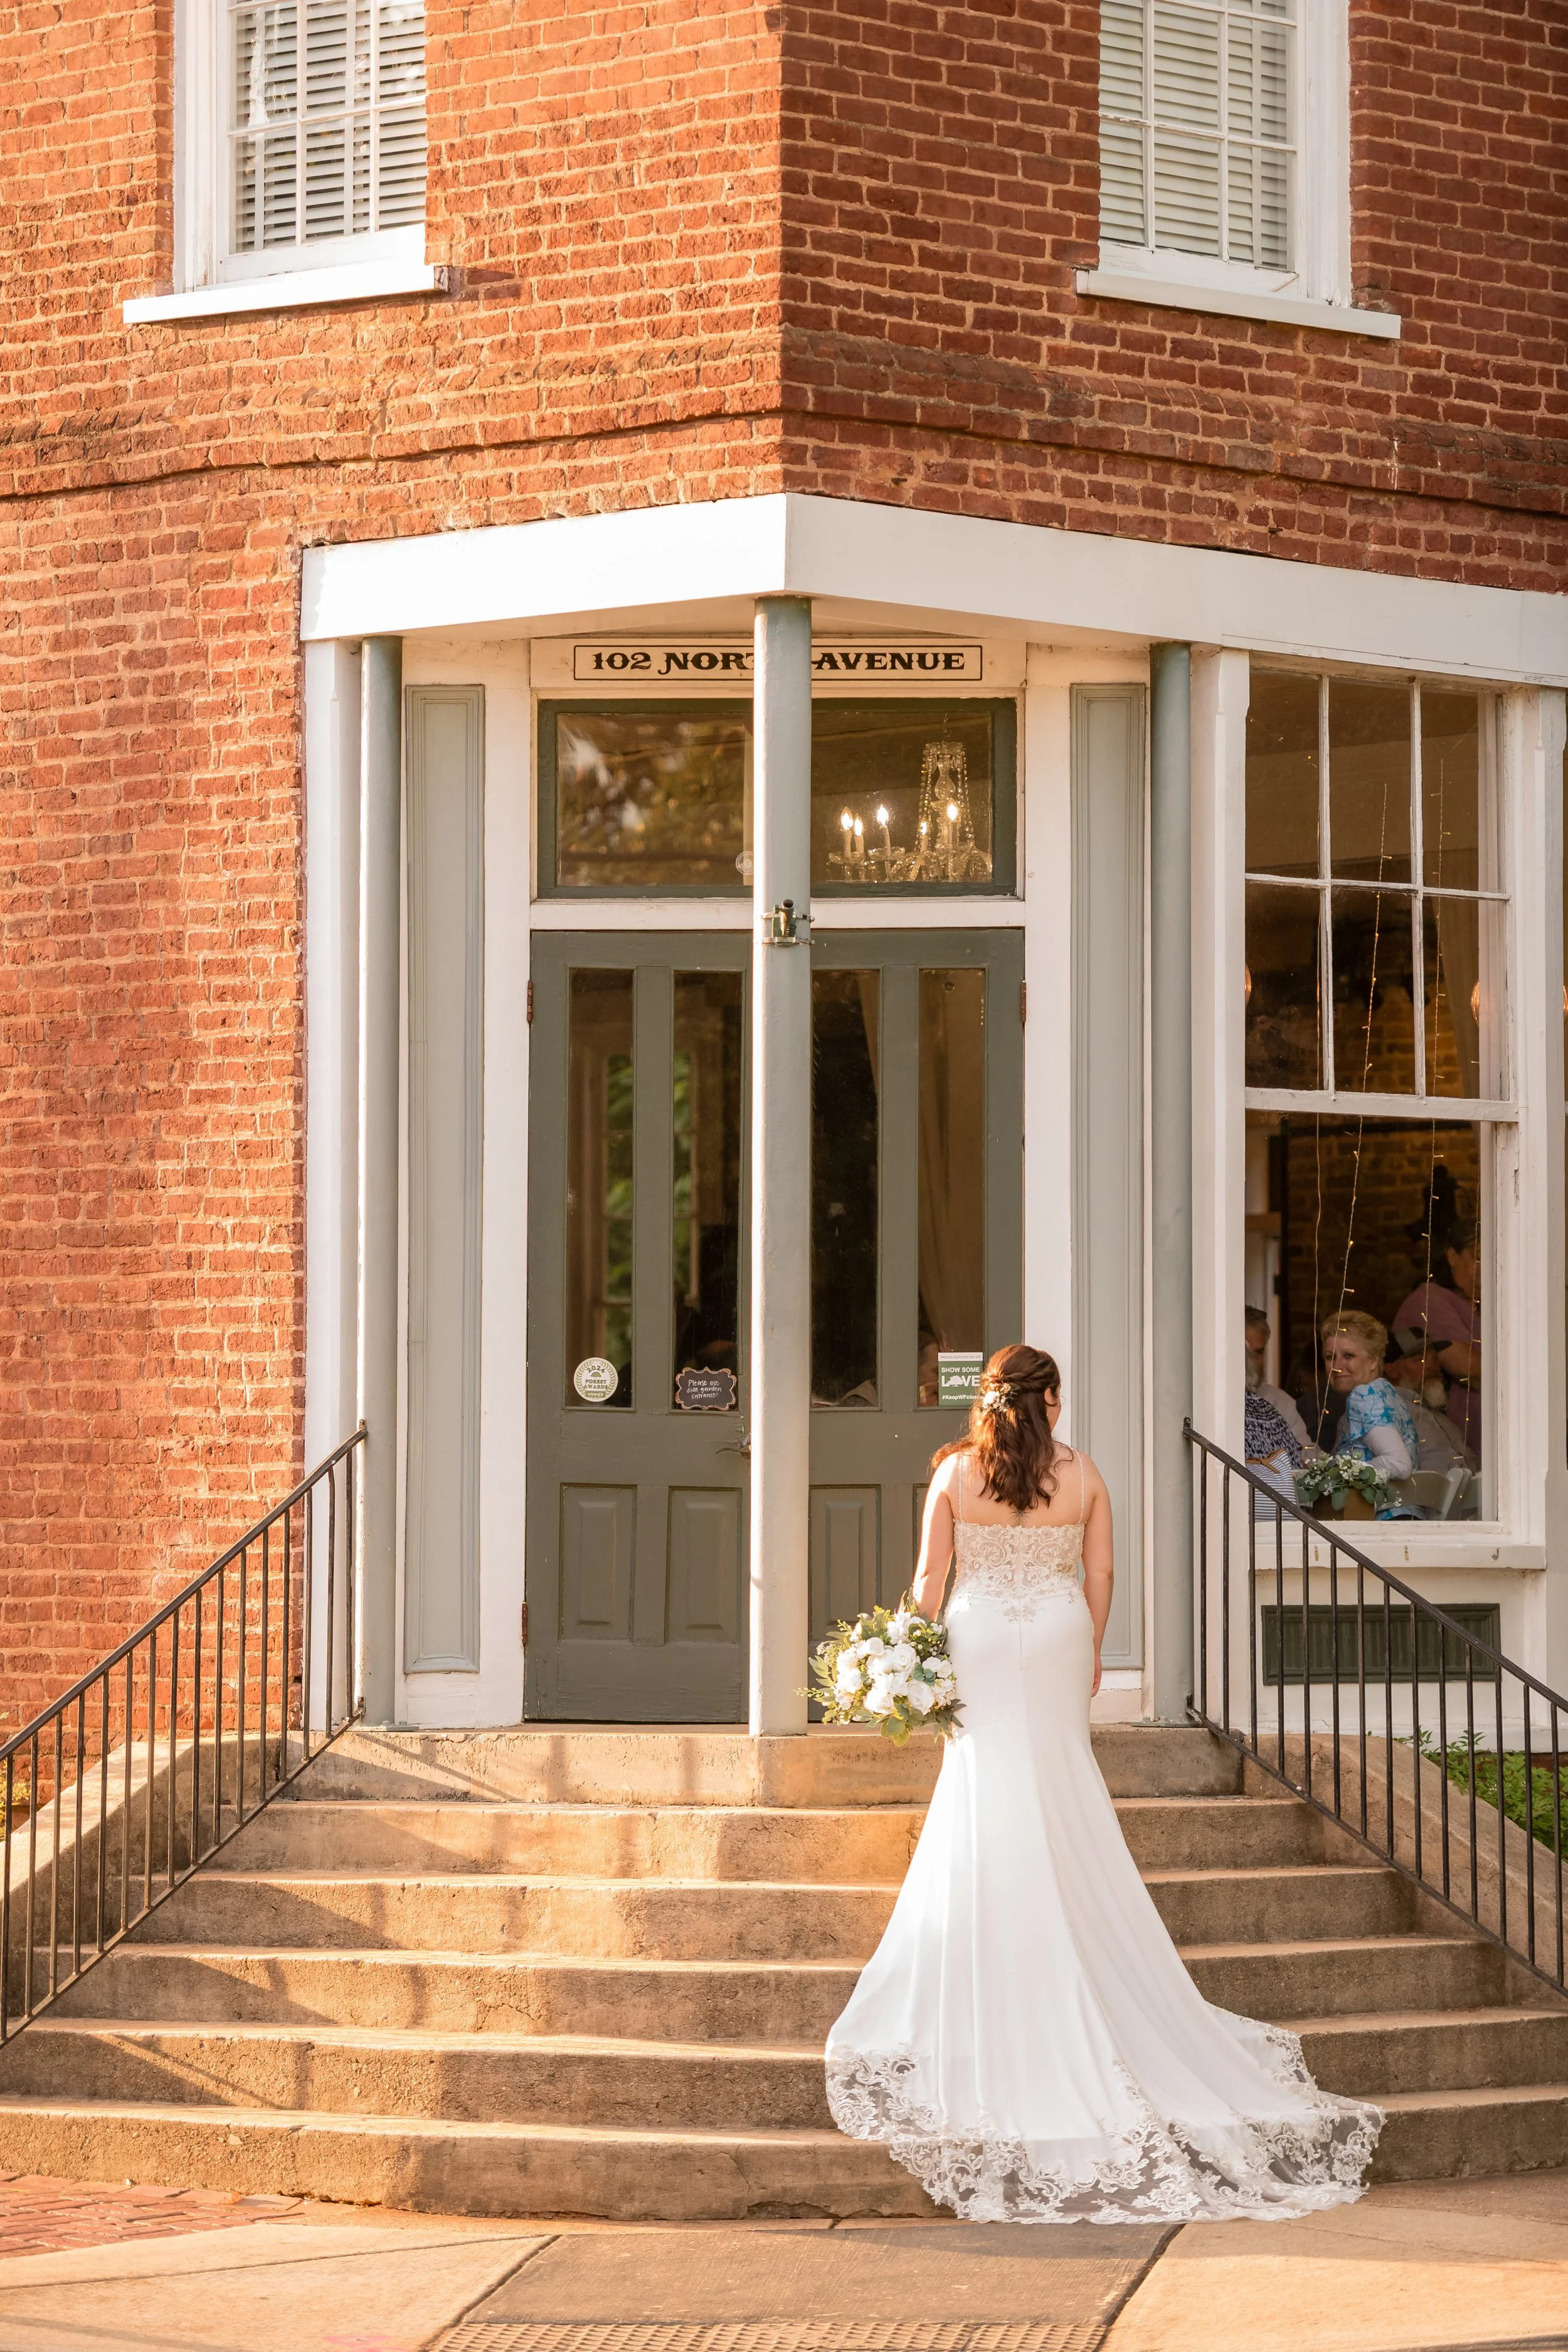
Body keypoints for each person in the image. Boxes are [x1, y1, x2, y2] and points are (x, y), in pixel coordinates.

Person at [824, 1343, 1381, 2222]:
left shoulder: (954, 1475)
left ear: (990, 1400)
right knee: (1059, 1784)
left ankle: (996, 1936)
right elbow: (1102, 1573)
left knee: (984, 1784)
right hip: (1054, 1634)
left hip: (976, 1640)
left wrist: (905, 1651)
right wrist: (1087, 1647)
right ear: (1050, 1399)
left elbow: (931, 1582)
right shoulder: (1083, 1474)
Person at [1392, 1222, 1483, 1462]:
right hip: (1449, 1444)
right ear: (1453, 1256)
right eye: (1480, 1256)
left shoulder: (1486, 1305)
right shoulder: (1432, 1298)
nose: (1491, 1266)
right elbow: (1470, 1369)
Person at [1321, 1311, 1419, 1493]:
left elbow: (1399, 1463)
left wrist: (1343, 1477)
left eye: (1348, 1356)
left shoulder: (1364, 1396)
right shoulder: (1386, 1392)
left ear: (1373, 1360)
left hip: (1381, 1519)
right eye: (1330, 1357)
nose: (1336, 1365)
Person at [1244, 1307, 1310, 1451]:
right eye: (1245, 1352)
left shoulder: (1281, 1403)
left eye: (1258, 1352)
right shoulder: (1208, 1403)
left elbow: (1308, 1457)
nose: (1252, 1362)